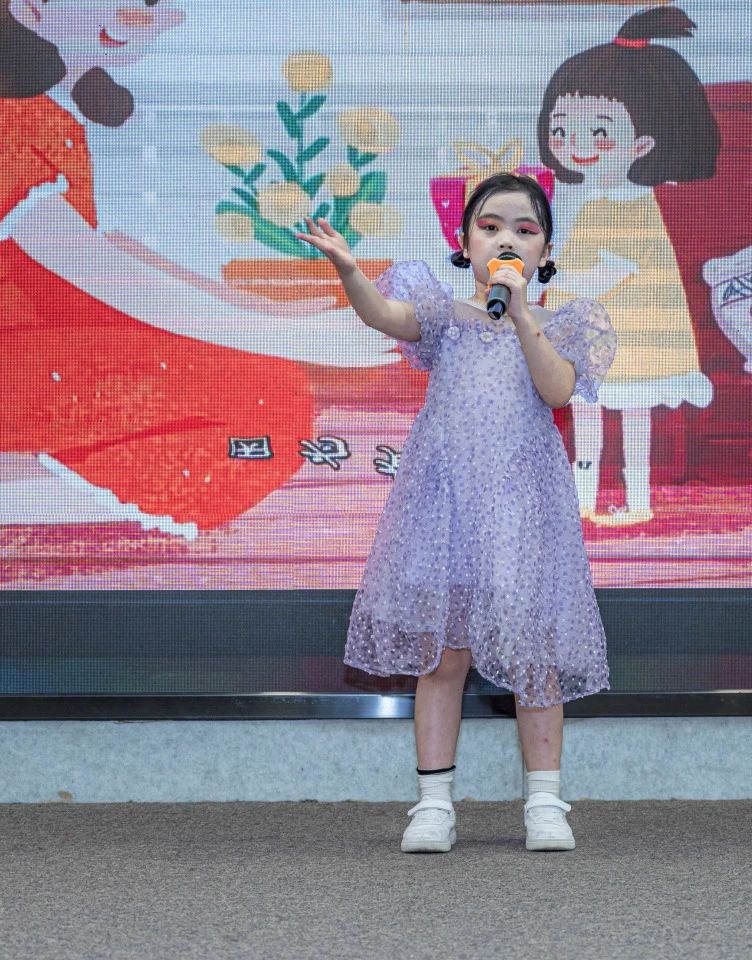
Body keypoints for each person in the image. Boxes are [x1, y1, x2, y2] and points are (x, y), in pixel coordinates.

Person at [0, 0, 394, 569]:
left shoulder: (39, 113)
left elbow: (109, 252)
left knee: (259, 390)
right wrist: (291, 338)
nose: (149, 19)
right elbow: (97, 271)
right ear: (30, 8)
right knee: (260, 400)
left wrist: (267, 313)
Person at [297, 173, 617, 853]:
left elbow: (556, 390)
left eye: (525, 230)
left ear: (546, 251)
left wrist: (521, 314)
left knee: (535, 657)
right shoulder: (443, 317)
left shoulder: (558, 324)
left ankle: (545, 804)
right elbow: (384, 316)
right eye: (490, 227)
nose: (506, 240)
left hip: (523, 512)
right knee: (443, 657)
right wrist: (350, 271)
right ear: (465, 243)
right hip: (446, 508)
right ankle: (434, 806)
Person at [537, 5, 716, 527]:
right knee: (590, 423)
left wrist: (554, 273)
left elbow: (609, 274)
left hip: (631, 339)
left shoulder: (631, 207)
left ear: (643, 144)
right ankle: (585, 502)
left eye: (599, 132)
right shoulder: (600, 204)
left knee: (630, 423)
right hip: (596, 336)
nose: (575, 146)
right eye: (562, 129)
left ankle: (634, 502)